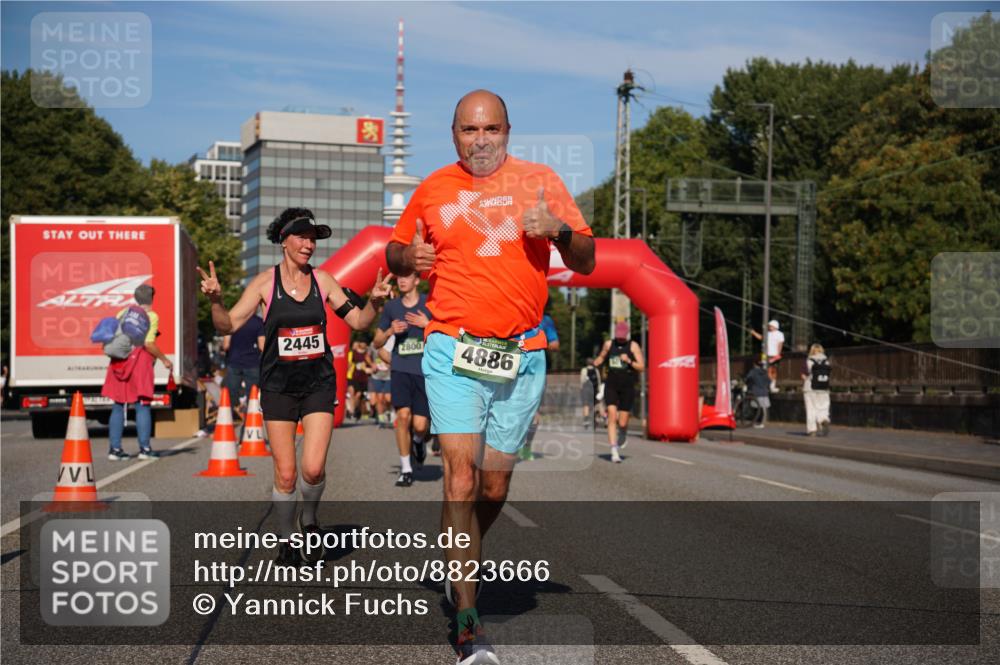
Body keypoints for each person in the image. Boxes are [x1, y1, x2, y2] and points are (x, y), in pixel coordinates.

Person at [385, 89, 595, 664]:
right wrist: (411, 261)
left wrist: (556, 231)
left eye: (491, 130)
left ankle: (460, 546)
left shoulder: (541, 181)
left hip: (520, 356)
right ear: (453, 134)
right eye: (468, 131)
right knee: (459, 477)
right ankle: (468, 621)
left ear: (508, 131)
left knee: (493, 487)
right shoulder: (433, 188)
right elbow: (393, 252)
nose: (480, 141)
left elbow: (588, 260)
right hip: (451, 348)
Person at [198, 208, 391, 565]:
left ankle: (310, 519)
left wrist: (375, 304)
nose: (309, 244)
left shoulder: (325, 281)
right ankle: (287, 539)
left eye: (313, 238)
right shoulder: (263, 284)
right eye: (302, 237)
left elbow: (358, 320)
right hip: (278, 386)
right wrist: (214, 300)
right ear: (284, 239)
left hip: (318, 383)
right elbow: (226, 325)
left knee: (313, 469)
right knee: (286, 474)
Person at [373, 271, 432, 487]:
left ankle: (418, 442)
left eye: (407, 276)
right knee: (403, 417)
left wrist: (429, 325)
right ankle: (406, 469)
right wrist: (389, 331)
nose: (402, 280)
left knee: (419, 425)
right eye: (399, 277)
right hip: (400, 369)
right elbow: (377, 342)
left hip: (424, 371)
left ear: (417, 280)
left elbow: (448, 332)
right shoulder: (391, 307)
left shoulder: (430, 303)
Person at [101, 284, 173, 460]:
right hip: (139, 362)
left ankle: (115, 450)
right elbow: (148, 344)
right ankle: (145, 449)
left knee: (118, 405)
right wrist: (164, 359)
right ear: (152, 298)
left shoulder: (123, 313)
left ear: (135, 297)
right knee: (142, 405)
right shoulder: (151, 316)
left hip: (119, 362)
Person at [594, 321, 644, 463]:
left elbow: (641, 367)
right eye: (619, 336)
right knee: (611, 415)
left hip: (627, 385)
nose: (621, 339)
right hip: (611, 384)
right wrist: (596, 362)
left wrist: (629, 361)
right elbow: (602, 357)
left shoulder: (633, 346)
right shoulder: (609, 344)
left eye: (623, 336)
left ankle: (623, 432)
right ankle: (614, 450)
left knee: (622, 422)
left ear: (626, 335)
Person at [222, 311, 265, 418]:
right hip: (253, 362)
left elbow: (226, 345)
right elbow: (261, 346)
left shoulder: (232, 321)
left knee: (231, 392)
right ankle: (252, 418)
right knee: (252, 394)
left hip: (234, 361)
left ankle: (227, 417)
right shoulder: (259, 322)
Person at [802, 343, 832, 436]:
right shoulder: (827, 361)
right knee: (823, 407)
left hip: (810, 388)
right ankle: (823, 419)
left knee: (811, 409)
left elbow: (803, 375)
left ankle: (812, 430)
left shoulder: (808, 361)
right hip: (824, 388)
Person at [751, 319, 785, 393]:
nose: (769, 327)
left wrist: (778, 354)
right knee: (767, 369)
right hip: (765, 354)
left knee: (773, 370)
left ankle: (772, 386)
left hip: (774, 354)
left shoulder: (780, 334)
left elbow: (780, 344)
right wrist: (753, 333)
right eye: (769, 326)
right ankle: (768, 385)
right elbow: (761, 337)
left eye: (771, 326)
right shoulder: (767, 333)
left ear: (775, 326)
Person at [345, 338, 373, 421]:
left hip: (363, 378)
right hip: (352, 377)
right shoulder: (351, 353)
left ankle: (355, 410)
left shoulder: (367, 354)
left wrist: (368, 368)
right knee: (352, 393)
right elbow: (347, 364)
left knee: (358, 396)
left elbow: (369, 364)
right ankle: (351, 411)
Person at [367, 341, 393, 429]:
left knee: (388, 398)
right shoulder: (373, 344)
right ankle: (381, 419)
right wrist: (372, 364)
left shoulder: (391, 342)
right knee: (379, 398)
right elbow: (367, 356)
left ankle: (388, 411)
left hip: (388, 376)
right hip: (376, 375)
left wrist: (392, 363)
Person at [745, 360, 771, 428]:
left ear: (754, 364)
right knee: (764, 408)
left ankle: (756, 422)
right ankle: (763, 423)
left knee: (756, 408)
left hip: (756, 392)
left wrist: (749, 386)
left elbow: (747, 379)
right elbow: (769, 381)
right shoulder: (764, 372)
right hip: (764, 392)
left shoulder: (753, 372)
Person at [580, 357, 601, 429]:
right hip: (594, 390)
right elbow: (598, 381)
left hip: (586, 389)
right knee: (595, 404)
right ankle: (595, 418)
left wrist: (581, 389)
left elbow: (582, 380)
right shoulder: (596, 370)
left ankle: (586, 419)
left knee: (586, 404)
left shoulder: (584, 370)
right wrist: (599, 390)